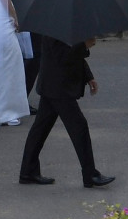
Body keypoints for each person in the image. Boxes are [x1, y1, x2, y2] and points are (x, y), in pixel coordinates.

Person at [18, 35, 116, 188]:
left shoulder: (60, 21)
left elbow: (67, 52)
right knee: (79, 126)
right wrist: (84, 45)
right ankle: (90, 174)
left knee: (40, 128)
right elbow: (61, 56)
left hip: (53, 85)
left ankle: (28, 172)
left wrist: (89, 76)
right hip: (57, 86)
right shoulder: (52, 25)